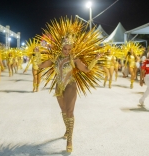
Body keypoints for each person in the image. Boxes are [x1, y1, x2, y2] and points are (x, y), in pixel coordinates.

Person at [31, 17, 104, 153]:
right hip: (59, 87)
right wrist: (37, 53)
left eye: (69, 49)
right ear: (61, 47)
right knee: (64, 111)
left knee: (70, 111)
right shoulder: (55, 58)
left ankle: (70, 139)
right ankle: (67, 129)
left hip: (70, 85)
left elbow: (87, 69)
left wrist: (95, 59)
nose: (67, 51)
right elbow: (40, 65)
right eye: (65, 49)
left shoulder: (74, 59)